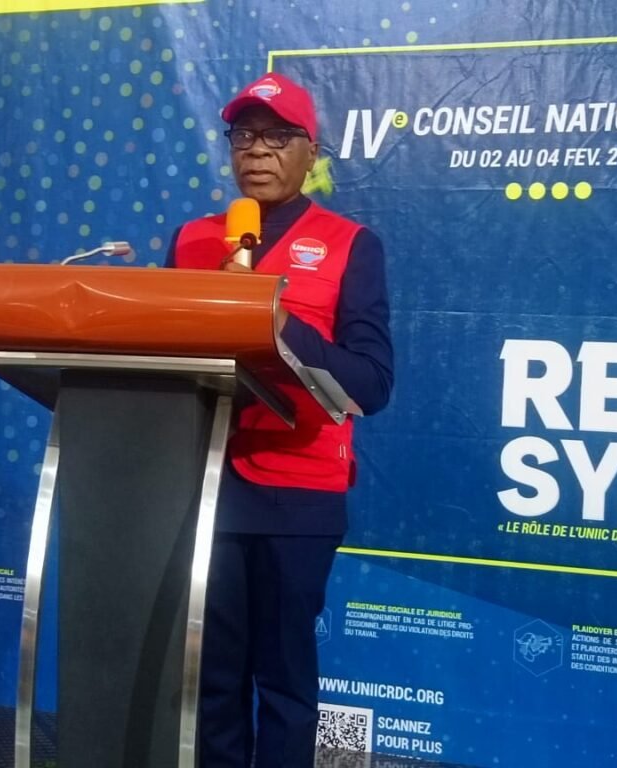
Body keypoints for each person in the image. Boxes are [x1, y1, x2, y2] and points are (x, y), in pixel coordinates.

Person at [166, 73, 394, 767]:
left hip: (299, 494)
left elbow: (372, 382)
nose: (257, 150)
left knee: (285, 681)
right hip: (204, 490)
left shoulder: (351, 244)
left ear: (309, 152)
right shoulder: (191, 241)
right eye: (244, 135)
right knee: (211, 679)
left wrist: (272, 315)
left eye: (277, 136)